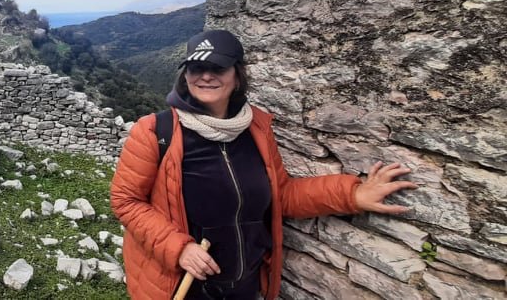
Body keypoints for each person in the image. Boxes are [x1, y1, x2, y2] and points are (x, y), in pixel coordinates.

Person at [110, 30, 417, 300]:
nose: (205, 76)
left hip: (245, 285)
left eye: (218, 67)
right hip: (184, 286)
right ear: (185, 75)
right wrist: (178, 249)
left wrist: (353, 194)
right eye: (196, 67)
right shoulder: (156, 132)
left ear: (237, 75)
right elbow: (126, 201)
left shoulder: (256, 127)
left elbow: (280, 195)